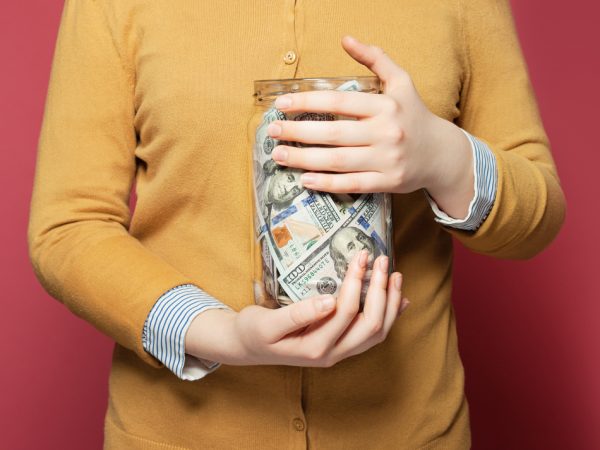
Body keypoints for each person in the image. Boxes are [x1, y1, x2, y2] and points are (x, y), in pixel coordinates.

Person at [27, 1, 566, 449]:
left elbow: (538, 217)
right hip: (176, 433)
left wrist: (444, 157)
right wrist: (219, 334)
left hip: (411, 432)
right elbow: (70, 226)